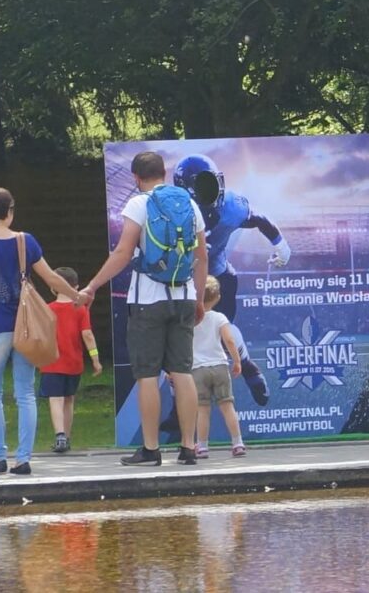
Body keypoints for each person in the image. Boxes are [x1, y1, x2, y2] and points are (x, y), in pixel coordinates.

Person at [81, 151, 207, 467]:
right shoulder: (190, 205)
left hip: (147, 301)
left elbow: (124, 252)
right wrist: (200, 298)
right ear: (163, 174)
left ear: (137, 178)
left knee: (147, 375)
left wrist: (93, 285)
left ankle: (151, 449)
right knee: (182, 371)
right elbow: (202, 257)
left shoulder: (139, 204)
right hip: (184, 296)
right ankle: (189, 447)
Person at [0, 187, 88, 476]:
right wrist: (77, 295)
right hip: (27, 329)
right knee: (25, 393)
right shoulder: (26, 241)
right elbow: (51, 278)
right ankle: (23, 459)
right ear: (9, 211)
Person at [174, 153, 290, 406]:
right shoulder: (172, 213)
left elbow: (257, 218)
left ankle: (248, 368)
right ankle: (178, 409)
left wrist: (280, 243)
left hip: (217, 276)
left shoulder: (230, 207)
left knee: (221, 329)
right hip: (183, 281)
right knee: (181, 343)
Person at [39, 266, 103, 453]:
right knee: (69, 399)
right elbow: (88, 335)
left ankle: (59, 436)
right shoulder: (80, 309)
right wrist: (95, 359)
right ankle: (67, 436)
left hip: (52, 363)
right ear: (76, 286)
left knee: (55, 399)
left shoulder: (47, 309)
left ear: (54, 287)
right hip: (74, 363)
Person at [191, 275, 247, 458]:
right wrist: (237, 360)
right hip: (220, 366)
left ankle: (202, 446)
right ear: (217, 298)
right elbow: (229, 340)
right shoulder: (219, 317)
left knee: (203, 409)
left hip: (197, 369)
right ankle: (237, 442)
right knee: (227, 405)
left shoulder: (190, 319)